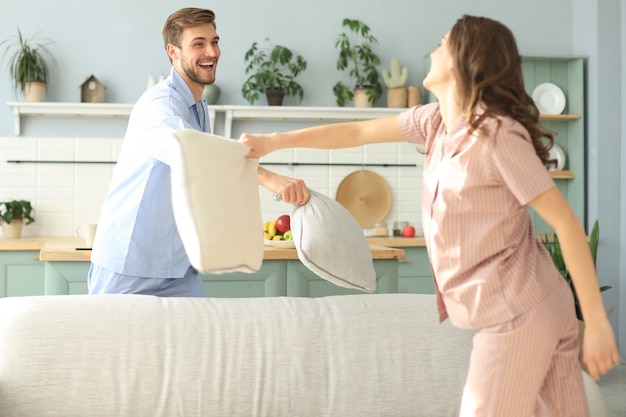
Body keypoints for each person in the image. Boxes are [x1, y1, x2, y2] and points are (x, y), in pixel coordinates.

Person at [240, 15, 620, 417]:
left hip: (522, 312)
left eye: (441, 43)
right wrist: (272, 141)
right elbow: (355, 133)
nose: (433, 51)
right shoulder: (435, 122)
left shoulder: (498, 134)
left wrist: (595, 323)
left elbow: (565, 223)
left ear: (462, 59)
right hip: (526, 307)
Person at [88, 8, 309, 297]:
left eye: (214, 41)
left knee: (197, 343)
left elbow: (204, 177)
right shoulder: (159, 104)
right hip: (130, 265)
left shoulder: (198, 105)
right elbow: (192, 155)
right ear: (173, 52)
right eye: (198, 44)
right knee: (118, 345)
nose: (211, 51)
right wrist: (269, 179)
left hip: (177, 268)